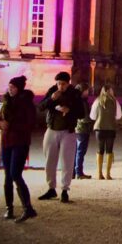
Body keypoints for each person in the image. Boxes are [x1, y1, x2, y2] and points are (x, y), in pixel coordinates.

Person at [38, 71, 84, 203]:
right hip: (52, 129)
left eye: (63, 84)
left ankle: (65, 189)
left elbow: (81, 113)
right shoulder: (52, 90)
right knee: (49, 161)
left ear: (68, 83)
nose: (60, 86)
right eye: (58, 83)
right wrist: (51, 98)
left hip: (68, 131)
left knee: (67, 161)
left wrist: (69, 110)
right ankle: (51, 188)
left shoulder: (75, 94)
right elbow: (41, 107)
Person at [0, 76, 37, 221]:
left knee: (15, 174)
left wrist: (11, 125)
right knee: (7, 176)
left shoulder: (26, 104)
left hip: (20, 142)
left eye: (13, 87)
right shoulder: (6, 101)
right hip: (7, 141)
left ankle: (28, 208)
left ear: (19, 88)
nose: (10, 89)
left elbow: (30, 124)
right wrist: (0, 123)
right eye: (9, 86)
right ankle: (9, 208)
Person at [91, 84, 122, 180]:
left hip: (99, 128)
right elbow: (119, 116)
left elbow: (92, 116)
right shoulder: (115, 101)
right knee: (109, 150)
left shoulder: (97, 101)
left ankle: (99, 173)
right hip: (111, 128)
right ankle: (108, 174)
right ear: (110, 91)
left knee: (100, 150)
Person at [73, 83, 93, 180]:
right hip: (82, 129)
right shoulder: (82, 102)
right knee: (81, 151)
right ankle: (79, 173)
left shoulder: (76, 101)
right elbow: (84, 118)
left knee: (76, 151)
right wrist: (93, 119)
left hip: (77, 128)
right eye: (86, 90)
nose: (88, 92)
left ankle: (73, 172)